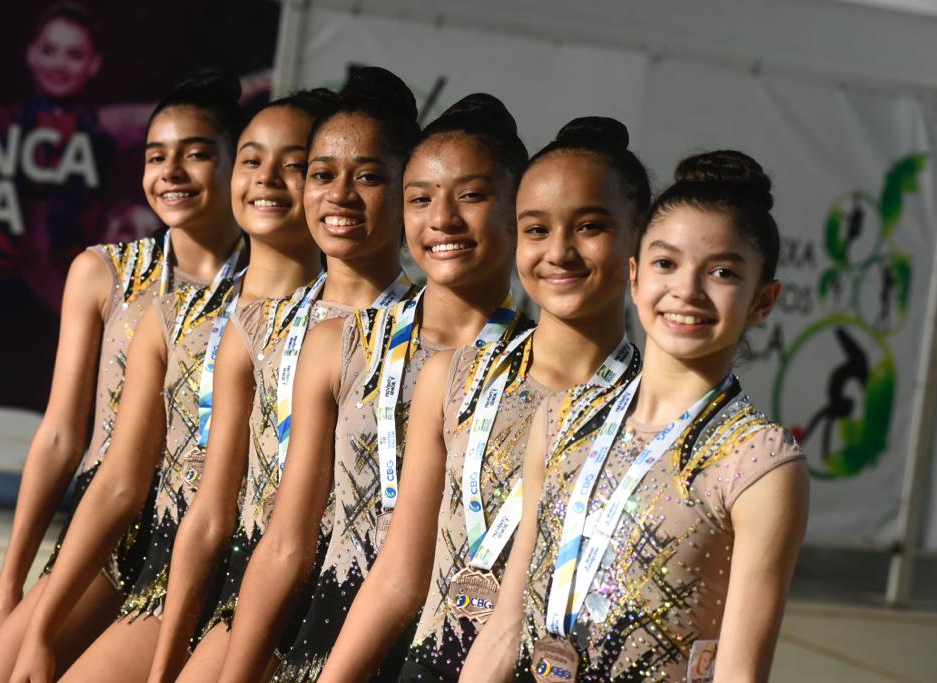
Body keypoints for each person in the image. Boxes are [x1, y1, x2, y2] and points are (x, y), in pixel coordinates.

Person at [0, 69, 306, 683]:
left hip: (200, 536)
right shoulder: (106, 274)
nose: (172, 172)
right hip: (104, 531)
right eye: (157, 156)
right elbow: (60, 436)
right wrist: (10, 583)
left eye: (196, 154)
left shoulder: (265, 296)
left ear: (231, 166)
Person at [318, 116, 651, 682]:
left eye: (590, 227)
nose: (559, 252)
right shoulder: (454, 377)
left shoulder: (650, 415)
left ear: (639, 241)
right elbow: (398, 577)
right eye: (537, 229)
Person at [215, 89, 532, 683]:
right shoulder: (343, 344)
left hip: (450, 656)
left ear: (518, 211)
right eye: (422, 198)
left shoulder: (537, 377)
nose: (443, 218)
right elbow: (287, 544)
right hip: (316, 635)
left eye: (471, 195)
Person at [462, 150, 810, 682]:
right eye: (666, 264)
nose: (686, 290)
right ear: (634, 274)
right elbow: (506, 628)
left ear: (763, 300)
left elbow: (739, 674)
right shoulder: (561, 418)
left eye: (721, 272)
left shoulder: (760, 463)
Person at [143, 78, 420, 683]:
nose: (341, 194)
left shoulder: (430, 343)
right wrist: (165, 665)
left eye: (368, 177)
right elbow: (213, 515)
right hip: (245, 592)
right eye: (322, 174)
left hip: (377, 618)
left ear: (409, 190)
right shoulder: (258, 328)